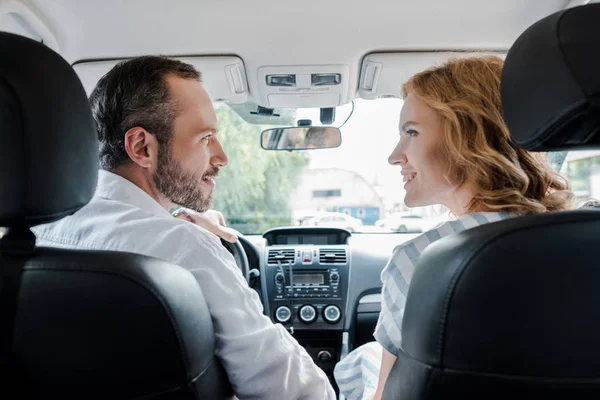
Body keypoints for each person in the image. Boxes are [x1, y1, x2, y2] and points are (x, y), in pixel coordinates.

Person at [33, 56, 336, 399]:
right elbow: (294, 392)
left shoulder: (33, 241)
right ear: (141, 147)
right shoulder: (186, 250)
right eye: (206, 137)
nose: (221, 157)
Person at [333, 55, 573, 400]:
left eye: (411, 133)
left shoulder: (424, 259)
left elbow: (387, 395)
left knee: (355, 366)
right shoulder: (578, 239)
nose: (395, 156)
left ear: (467, 136)